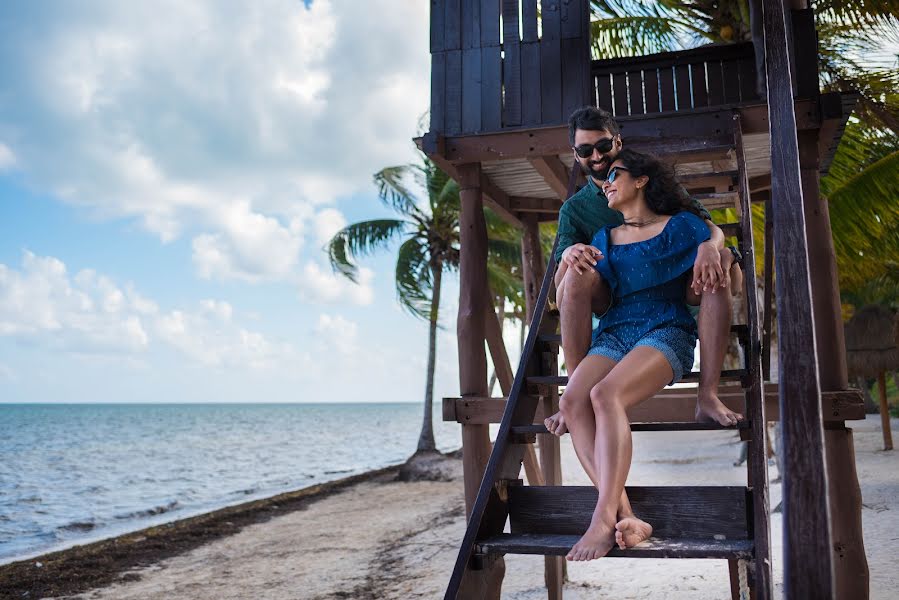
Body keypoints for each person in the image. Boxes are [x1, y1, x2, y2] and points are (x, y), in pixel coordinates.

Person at [544, 106, 744, 437]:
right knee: (574, 269)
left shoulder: (647, 182)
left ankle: (708, 395)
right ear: (575, 154)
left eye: (603, 146)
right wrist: (568, 253)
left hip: (672, 287)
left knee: (719, 261)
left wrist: (712, 249)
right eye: (585, 150)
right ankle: (575, 397)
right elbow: (558, 289)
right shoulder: (576, 209)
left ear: (617, 142)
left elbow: (707, 228)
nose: (596, 156)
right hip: (612, 298)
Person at [559, 149, 718, 560]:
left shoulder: (680, 226)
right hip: (614, 332)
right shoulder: (602, 239)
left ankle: (601, 519)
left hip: (665, 328)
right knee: (573, 400)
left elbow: (715, 239)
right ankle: (627, 515)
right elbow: (572, 290)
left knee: (604, 395)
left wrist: (710, 247)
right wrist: (568, 257)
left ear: (642, 180)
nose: (606, 182)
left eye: (614, 173)